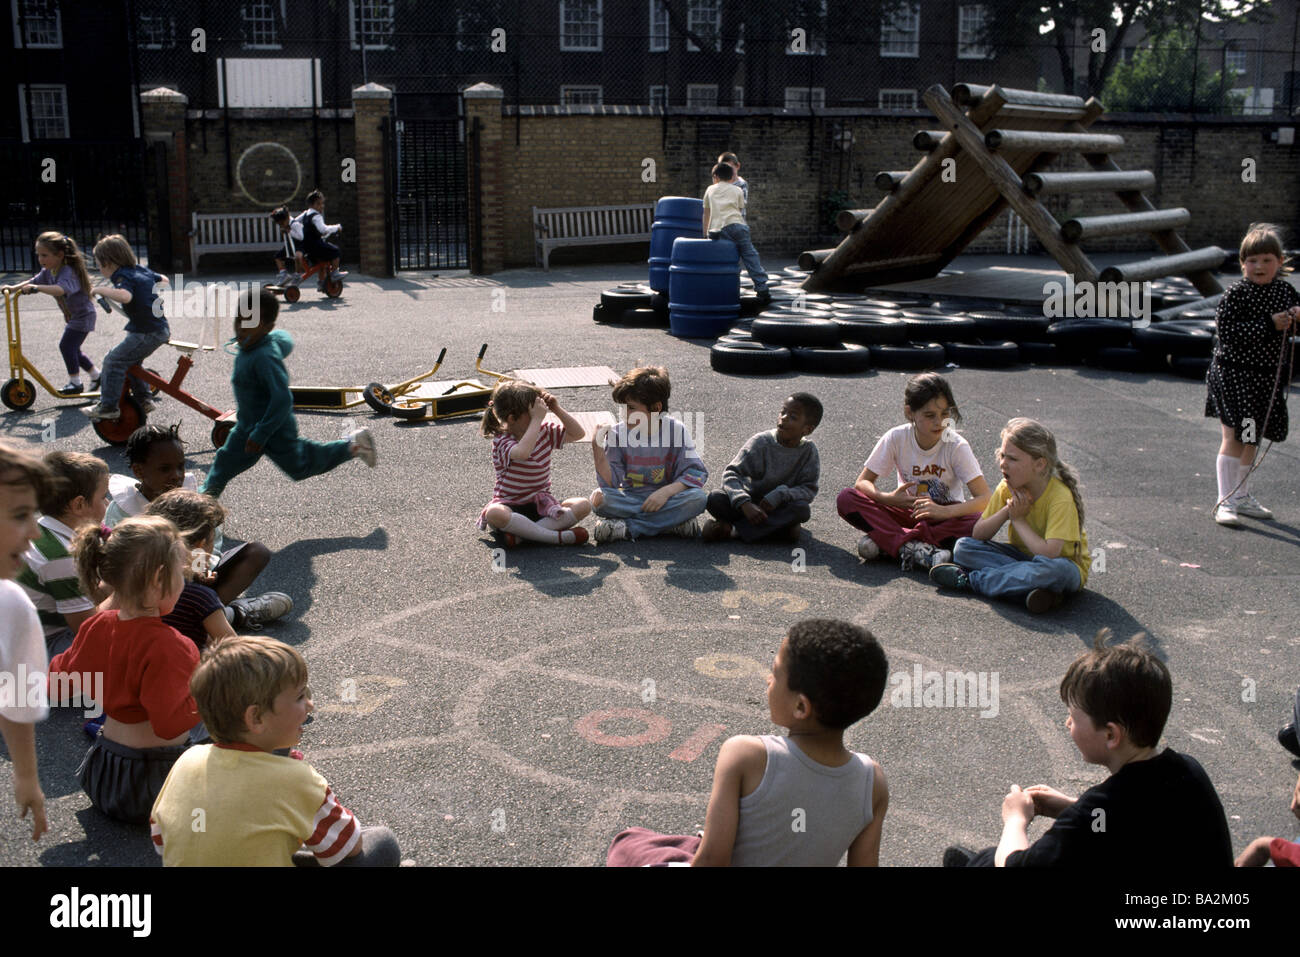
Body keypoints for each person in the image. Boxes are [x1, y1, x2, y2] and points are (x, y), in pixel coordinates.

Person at [607, 619, 889, 866]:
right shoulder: (872, 781)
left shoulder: (746, 755)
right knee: (678, 844)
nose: (768, 680)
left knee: (631, 843)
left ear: (801, 707)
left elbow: (712, 861)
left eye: (776, 673)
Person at [944, 629, 1233, 868]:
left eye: (1074, 716)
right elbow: (1140, 827)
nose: (1067, 722)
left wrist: (1015, 819)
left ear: (1111, 734)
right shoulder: (1189, 771)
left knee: (994, 859)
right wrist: (1071, 807)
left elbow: (1016, 865)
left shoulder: (1097, 808)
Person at [150, 635, 401, 866]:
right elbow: (348, 848)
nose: (311, 705)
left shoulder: (186, 760)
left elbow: (161, 841)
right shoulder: (295, 779)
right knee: (382, 842)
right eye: (301, 697)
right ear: (256, 718)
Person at [49, 515, 201, 824]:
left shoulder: (97, 626)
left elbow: (57, 684)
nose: (185, 582)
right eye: (181, 575)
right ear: (160, 579)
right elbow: (170, 725)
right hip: (157, 789)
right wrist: (209, 690)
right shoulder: (173, 646)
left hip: (104, 776)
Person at [106, 423, 288, 630]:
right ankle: (230, 615)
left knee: (257, 552)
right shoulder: (121, 509)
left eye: (180, 466)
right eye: (165, 469)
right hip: (149, 586)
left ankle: (206, 613)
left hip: (192, 579)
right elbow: (116, 558)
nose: (176, 475)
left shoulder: (191, 498)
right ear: (139, 470)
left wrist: (201, 569)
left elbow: (211, 541)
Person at [199, 286, 376, 498]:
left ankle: (354, 446)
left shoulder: (264, 357)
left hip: (275, 429)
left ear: (267, 327)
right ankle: (203, 502)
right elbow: (281, 338)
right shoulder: (252, 346)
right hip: (247, 426)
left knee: (300, 466)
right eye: (239, 320)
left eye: (251, 322)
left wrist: (261, 433)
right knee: (224, 462)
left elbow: (282, 399)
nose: (241, 328)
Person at [929, 417, 1088, 614]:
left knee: (1055, 572)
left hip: (1061, 566)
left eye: (1012, 458)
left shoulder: (1060, 497)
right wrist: (1007, 511)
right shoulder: (1007, 487)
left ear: (1039, 464)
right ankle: (1029, 589)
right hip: (1020, 561)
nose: (1003, 464)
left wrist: (1018, 519)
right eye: (1003, 455)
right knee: (963, 548)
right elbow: (979, 534)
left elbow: (1049, 554)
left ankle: (973, 581)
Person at [837, 373, 991, 571]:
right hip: (908, 510)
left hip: (944, 517)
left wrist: (944, 511)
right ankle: (916, 548)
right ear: (910, 412)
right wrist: (887, 498)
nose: (939, 422)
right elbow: (862, 483)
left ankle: (891, 541)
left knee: (981, 520)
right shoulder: (896, 437)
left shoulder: (956, 445)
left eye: (945, 414)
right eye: (930, 415)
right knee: (846, 498)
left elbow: (985, 498)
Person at [1204, 223, 1300, 526]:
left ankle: (1242, 495)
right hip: (1234, 375)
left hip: (1266, 377)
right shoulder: (1236, 294)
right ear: (1243, 263)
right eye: (1252, 260)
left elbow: (1292, 328)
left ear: (1280, 262)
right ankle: (1225, 501)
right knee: (1234, 436)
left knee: (1251, 437)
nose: (1258, 266)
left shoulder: (1285, 291)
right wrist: (1270, 324)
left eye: (1266, 260)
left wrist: (1296, 319)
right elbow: (1229, 333)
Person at [0, 442, 52, 840]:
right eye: (21, 516)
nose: (35, 531)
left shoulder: (13, 607)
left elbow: (15, 696)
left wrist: (27, 775)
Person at [590, 366, 707, 543]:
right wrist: (596, 446)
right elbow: (611, 483)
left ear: (656, 407)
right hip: (631, 498)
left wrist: (665, 492)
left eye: (630, 408)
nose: (624, 414)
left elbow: (696, 474)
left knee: (698, 498)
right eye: (622, 407)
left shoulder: (675, 430)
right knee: (599, 499)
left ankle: (629, 528)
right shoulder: (618, 433)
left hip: (667, 499)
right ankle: (670, 524)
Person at [477, 379, 591, 546]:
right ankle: (554, 538)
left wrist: (556, 409)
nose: (540, 414)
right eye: (533, 412)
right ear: (512, 418)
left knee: (583, 505)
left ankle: (523, 536)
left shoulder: (544, 431)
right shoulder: (502, 439)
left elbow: (578, 434)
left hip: (541, 504)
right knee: (493, 513)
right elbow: (522, 453)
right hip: (510, 504)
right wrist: (537, 420)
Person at [18, 451, 107, 655]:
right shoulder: (62, 558)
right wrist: (128, 589)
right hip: (44, 643)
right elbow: (88, 629)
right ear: (79, 505)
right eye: (103, 498)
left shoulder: (47, 528)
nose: (107, 504)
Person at [702, 392, 821, 544]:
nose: (783, 418)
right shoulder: (761, 442)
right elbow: (731, 474)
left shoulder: (808, 451)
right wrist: (744, 503)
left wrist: (781, 494)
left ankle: (733, 531)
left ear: (807, 429)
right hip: (750, 503)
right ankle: (775, 531)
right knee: (715, 498)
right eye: (783, 412)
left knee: (802, 509)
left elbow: (808, 489)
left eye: (793, 417)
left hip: (778, 507)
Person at [86, 234, 169, 422]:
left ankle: (108, 407)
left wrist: (99, 290)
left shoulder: (121, 276)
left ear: (109, 262)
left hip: (146, 332)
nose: (99, 269)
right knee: (132, 362)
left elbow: (125, 297)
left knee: (113, 361)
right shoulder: (140, 270)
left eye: (99, 264)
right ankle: (144, 400)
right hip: (158, 329)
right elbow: (164, 280)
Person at [146, 489, 238, 650]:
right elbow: (236, 649)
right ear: (201, 544)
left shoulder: (131, 580)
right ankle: (237, 613)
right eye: (211, 542)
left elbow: (195, 558)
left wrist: (197, 573)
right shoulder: (200, 597)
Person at [10, 231, 100, 394]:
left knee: (66, 346)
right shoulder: (49, 270)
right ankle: (96, 375)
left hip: (83, 316)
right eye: (38, 255)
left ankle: (75, 383)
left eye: (44, 255)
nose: (40, 259)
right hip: (74, 316)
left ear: (59, 255)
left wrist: (37, 289)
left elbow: (60, 290)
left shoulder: (67, 271)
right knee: (73, 349)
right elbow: (33, 281)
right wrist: (13, 288)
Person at [702, 162, 770, 305]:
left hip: (719, 229)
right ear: (732, 177)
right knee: (750, 255)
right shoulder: (738, 190)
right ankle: (762, 287)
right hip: (738, 226)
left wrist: (705, 233)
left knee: (723, 259)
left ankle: (721, 288)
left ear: (715, 176)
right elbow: (739, 211)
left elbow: (706, 213)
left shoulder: (710, 189)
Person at [296, 189, 346, 281]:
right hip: (316, 246)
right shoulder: (316, 216)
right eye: (318, 204)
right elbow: (323, 230)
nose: (322, 206)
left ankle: (321, 282)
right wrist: (337, 227)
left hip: (307, 247)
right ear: (312, 205)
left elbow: (295, 221)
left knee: (322, 262)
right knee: (335, 251)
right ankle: (335, 273)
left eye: (322, 203)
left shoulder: (305, 214)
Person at [269, 206, 305, 285]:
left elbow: (301, 237)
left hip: (300, 245)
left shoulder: (295, 224)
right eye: (279, 224)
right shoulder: (286, 225)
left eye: (282, 223)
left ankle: (298, 275)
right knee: (277, 257)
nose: (281, 225)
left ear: (287, 218)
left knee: (297, 257)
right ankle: (283, 274)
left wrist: (289, 231)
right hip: (290, 247)